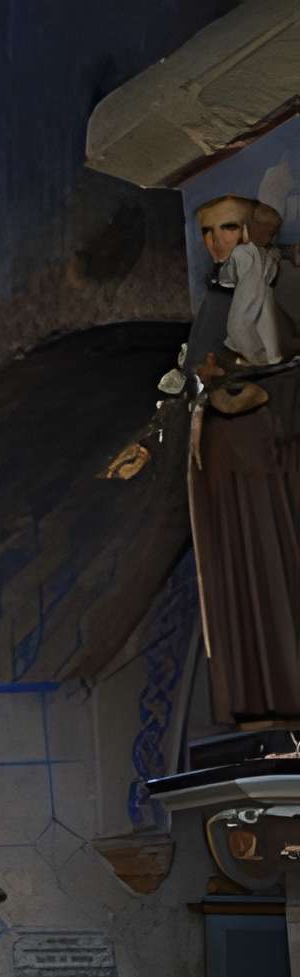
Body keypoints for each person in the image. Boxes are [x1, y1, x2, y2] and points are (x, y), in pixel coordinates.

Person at [178, 194, 300, 729]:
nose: (215, 243)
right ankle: (260, 699)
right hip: (229, 463)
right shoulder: (216, 295)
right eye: (207, 232)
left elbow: (278, 356)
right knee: (243, 577)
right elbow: (203, 372)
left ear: (251, 231)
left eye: (227, 229)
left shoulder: (282, 280)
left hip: (272, 454)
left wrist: (245, 386)